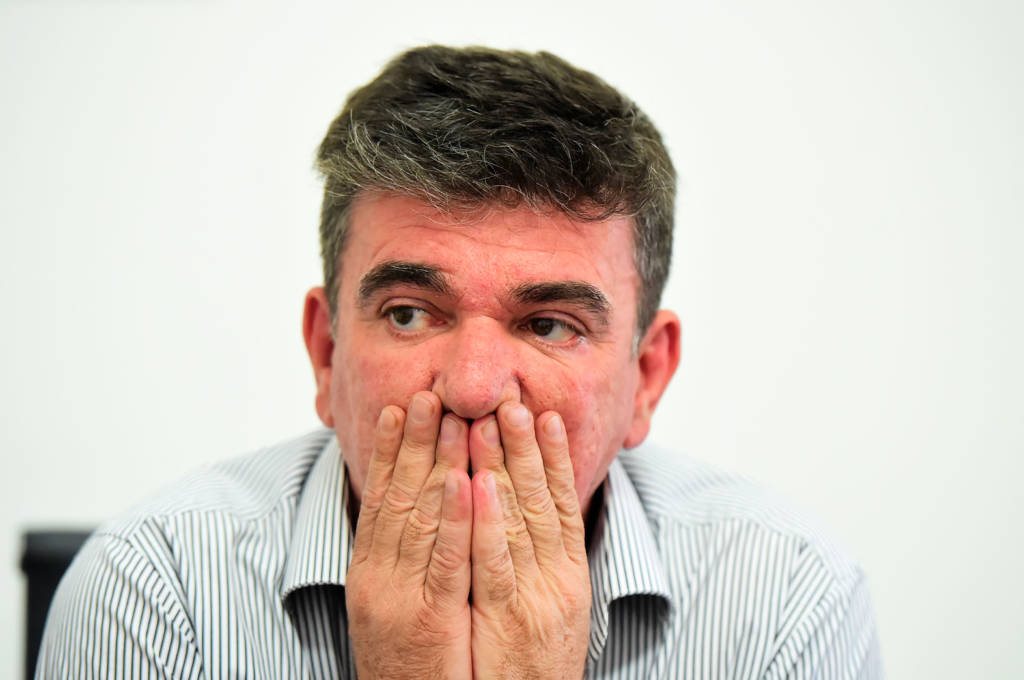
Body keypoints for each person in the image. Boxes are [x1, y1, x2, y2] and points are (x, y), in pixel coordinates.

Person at [36, 46, 883, 678]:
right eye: (409, 314)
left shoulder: (785, 599)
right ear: (327, 353)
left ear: (647, 378)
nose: (473, 389)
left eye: (549, 325)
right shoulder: (153, 591)